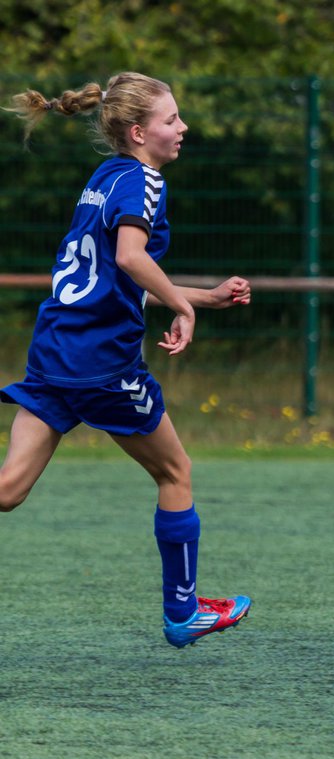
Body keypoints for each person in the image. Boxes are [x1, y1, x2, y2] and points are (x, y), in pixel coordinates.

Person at [1, 73, 253, 648]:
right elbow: (131, 258)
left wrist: (203, 298)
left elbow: (115, 274)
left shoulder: (106, 174)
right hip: (101, 361)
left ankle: (185, 608)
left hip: (55, 348)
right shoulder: (143, 179)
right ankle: (183, 612)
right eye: (171, 120)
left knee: (8, 490)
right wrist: (181, 310)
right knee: (175, 472)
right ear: (139, 132)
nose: (182, 127)